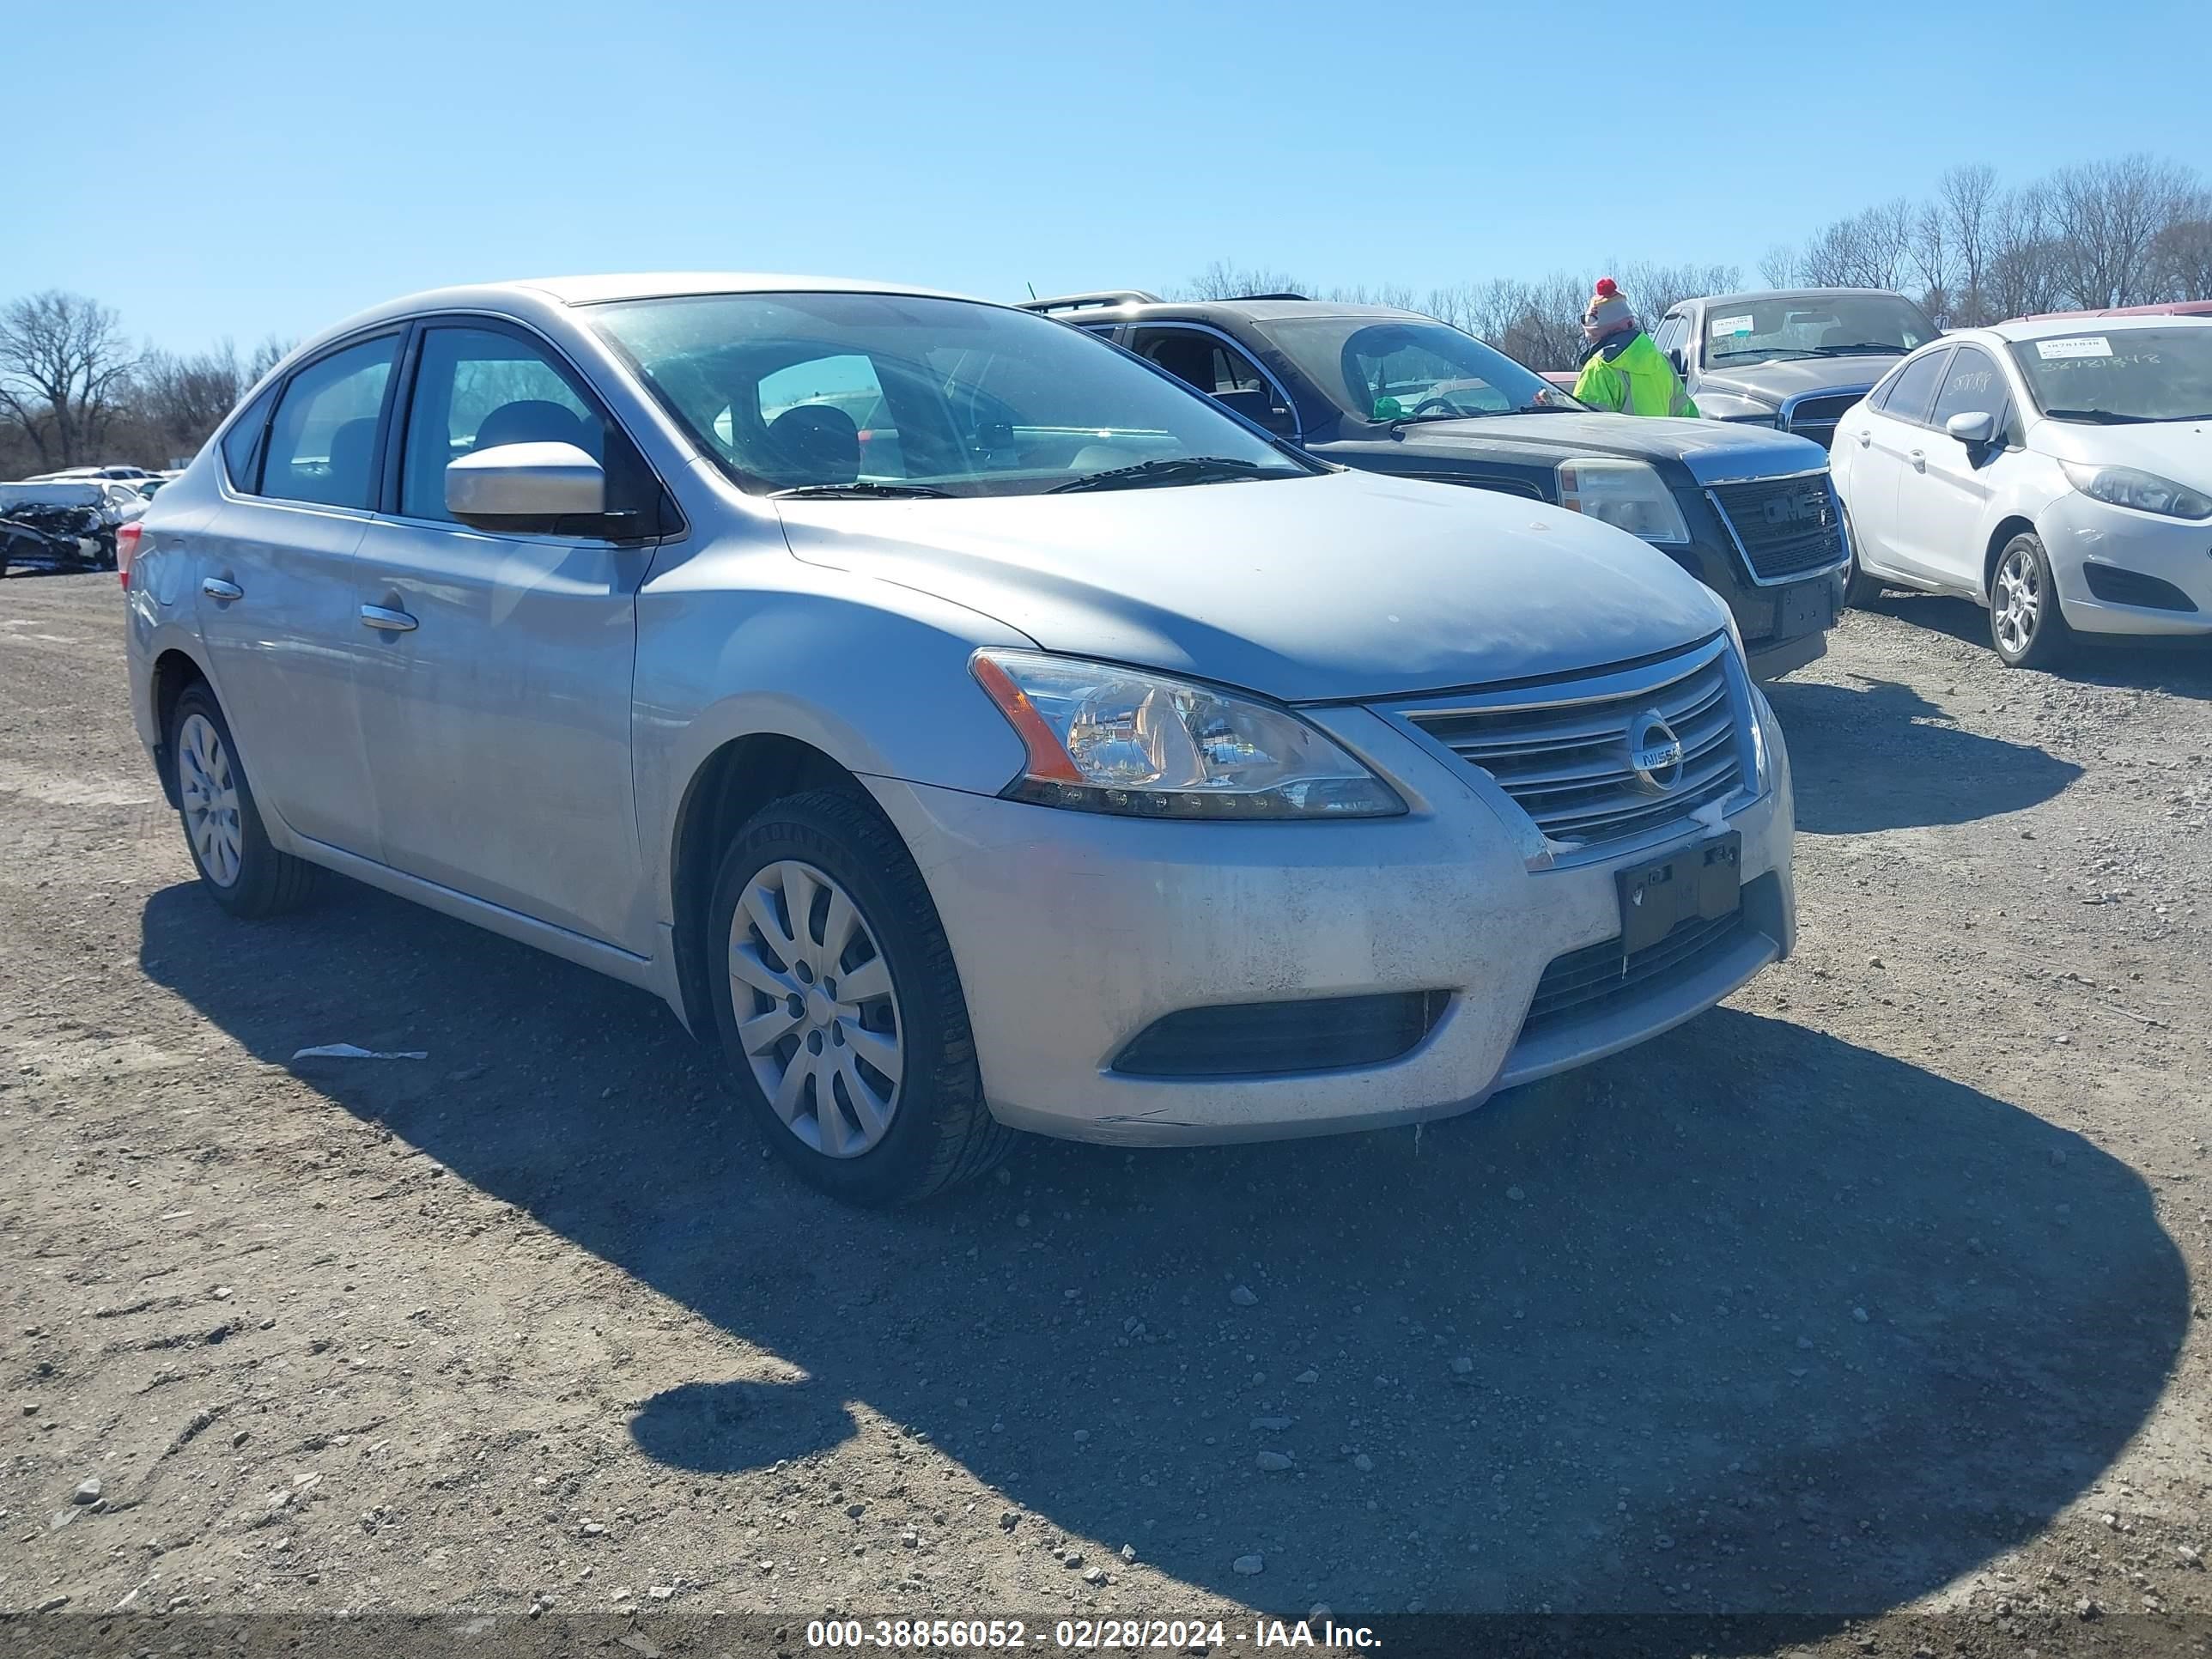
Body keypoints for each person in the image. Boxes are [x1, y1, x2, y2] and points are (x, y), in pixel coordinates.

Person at [1570, 277, 1698, 418]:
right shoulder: (1663, 364)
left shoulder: (1599, 369)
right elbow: (1688, 418)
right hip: (1662, 440)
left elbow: (1587, 427)